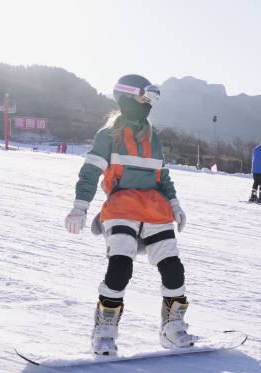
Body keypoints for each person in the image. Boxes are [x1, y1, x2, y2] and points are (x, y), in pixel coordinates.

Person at [64, 74, 196, 356]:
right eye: (143, 98)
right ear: (125, 97)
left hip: (155, 208)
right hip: (121, 206)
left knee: (174, 269)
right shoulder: (108, 136)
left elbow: (162, 176)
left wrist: (174, 204)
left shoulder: (153, 137)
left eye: (151, 100)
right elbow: (90, 173)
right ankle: (104, 332)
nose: (147, 104)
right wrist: (80, 207)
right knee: (121, 267)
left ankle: (172, 327)